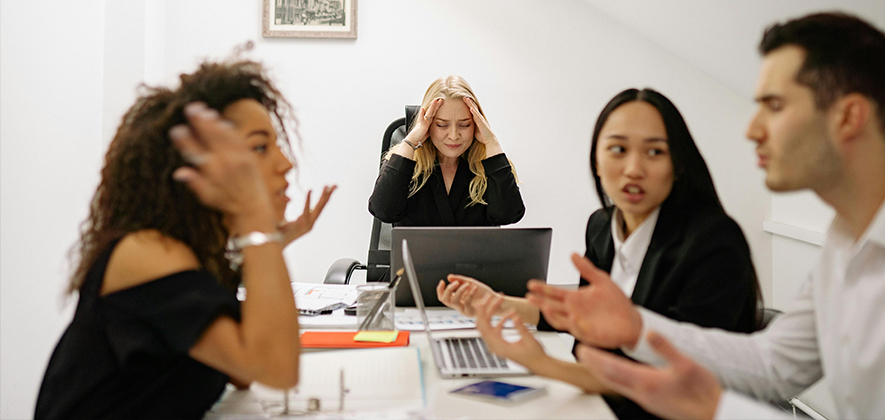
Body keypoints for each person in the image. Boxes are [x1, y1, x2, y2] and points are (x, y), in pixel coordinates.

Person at [529, 12, 885, 420]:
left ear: (848, 116)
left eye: (773, 106)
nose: (752, 129)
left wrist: (716, 408)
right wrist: (636, 328)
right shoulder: (846, 240)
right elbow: (773, 366)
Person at [34, 58, 337, 419]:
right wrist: (257, 228)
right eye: (259, 148)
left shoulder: (195, 256)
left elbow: (241, 372)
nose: (285, 164)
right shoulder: (145, 251)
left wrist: (260, 245)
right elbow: (277, 368)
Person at [439, 88, 761, 418]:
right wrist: (496, 302)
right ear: (596, 160)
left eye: (654, 152)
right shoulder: (603, 226)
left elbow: (673, 385)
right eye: (618, 149)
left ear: (678, 164)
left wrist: (540, 363)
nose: (634, 169)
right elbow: (579, 318)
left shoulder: (712, 242)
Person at [368, 75, 524, 227]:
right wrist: (410, 143)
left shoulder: (490, 164)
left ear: (476, 124)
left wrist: (492, 143)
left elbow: (509, 215)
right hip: (416, 254)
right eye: (442, 125)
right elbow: (383, 211)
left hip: (475, 254)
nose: (454, 136)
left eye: (465, 125)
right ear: (427, 125)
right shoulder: (404, 161)